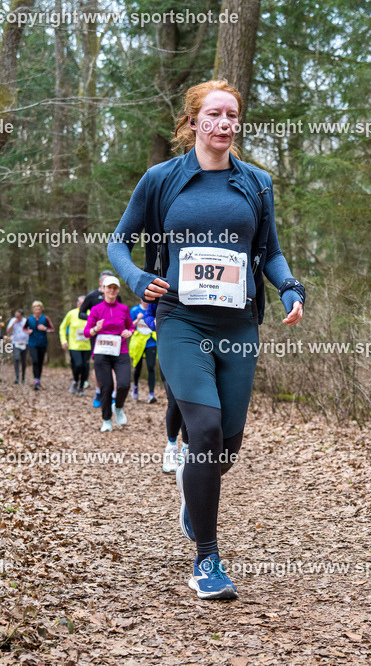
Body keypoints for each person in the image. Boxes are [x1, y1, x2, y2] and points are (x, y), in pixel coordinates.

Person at [107, 80, 305, 600]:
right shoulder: (162, 180)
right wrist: (136, 279)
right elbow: (118, 242)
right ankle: (207, 560)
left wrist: (289, 288)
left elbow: (271, 252)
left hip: (238, 326)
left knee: (226, 446)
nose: (224, 124)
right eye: (214, 114)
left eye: (232, 115)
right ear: (193, 121)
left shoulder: (256, 183)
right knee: (206, 427)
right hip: (181, 320)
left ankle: (193, 493)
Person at [83, 276, 133, 432]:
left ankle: (118, 407)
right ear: (103, 289)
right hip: (102, 352)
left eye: (115, 288)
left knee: (124, 384)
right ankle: (106, 420)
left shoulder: (123, 309)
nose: (112, 290)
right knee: (106, 387)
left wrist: (129, 332)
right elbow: (87, 332)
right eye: (109, 287)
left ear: (118, 291)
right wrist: (96, 329)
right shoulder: (96, 309)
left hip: (121, 351)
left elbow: (131, 327)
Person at [80, 270, 124, 408]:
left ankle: (113, 394)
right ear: (101, 283)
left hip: (114, 336)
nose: (110, 287)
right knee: (99, 365)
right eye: (106, 282)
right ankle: (98, 392)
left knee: (113, 364)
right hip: (97, 335)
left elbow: (121, 312)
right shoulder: (92, 296)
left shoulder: (116, 296)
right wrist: (93, 320)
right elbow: (81, 313)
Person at [59, 296, 91, 395]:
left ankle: (81, 388)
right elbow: (62, 327)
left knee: (85, 367)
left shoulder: (91, 313)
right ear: (77, 304)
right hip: (74, 345)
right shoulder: (71, 313)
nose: (82, 305)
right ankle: (75, 381)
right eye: (80, 303)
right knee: (78, 364)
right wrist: (63, 340)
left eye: (84, 303)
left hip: (87, 346)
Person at [128, 298, 158, 402]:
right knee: (138, 367)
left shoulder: (154, 309)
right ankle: (135, 387)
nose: (147, 302)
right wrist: (137, 319)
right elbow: (129, 326)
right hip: (138, 343)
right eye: (145, 299)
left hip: (151, 342)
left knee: (151, 367)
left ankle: (151, 394)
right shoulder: (135, 310)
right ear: (141, 299)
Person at [24, 301, 54, 391]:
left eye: (39, 309)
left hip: (42, 343)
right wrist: (28, 331)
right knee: (35, 361)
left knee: (40, 362)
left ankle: (38, 380)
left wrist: (45, 328)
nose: (37, 310)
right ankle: (36, 380)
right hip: (32, 343)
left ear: (41, 309)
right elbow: (24, 328)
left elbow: (52, 329)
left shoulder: (45, 318)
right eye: (35, 309)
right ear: (33, 309)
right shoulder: (29, 319)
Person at [6, 309, 29, 384]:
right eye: (16, 316)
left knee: (23, 361)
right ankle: (17, 377)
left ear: (22, 316)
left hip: (25, 343)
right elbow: (8, 331)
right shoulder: (13, 320)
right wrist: (14, 323)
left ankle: (23, 377)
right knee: (17, 358)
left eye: (18, 317)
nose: (17, 318)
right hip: (15, 343)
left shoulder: (26, 321)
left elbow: (29, 330)